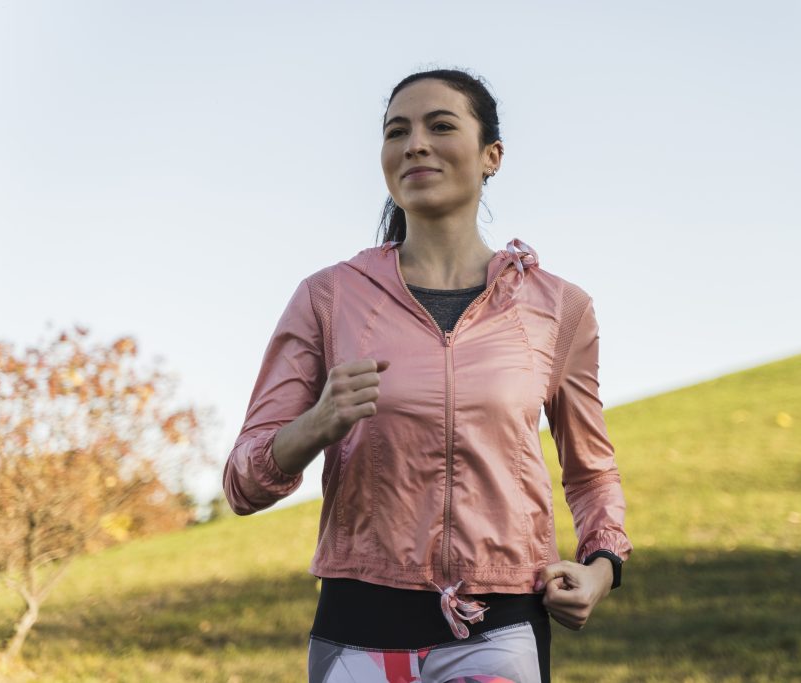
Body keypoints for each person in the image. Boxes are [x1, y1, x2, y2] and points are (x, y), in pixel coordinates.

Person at [222, 67, 633, 683]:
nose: (415, 143)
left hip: (500, 627)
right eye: (397, 131)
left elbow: (592, 472)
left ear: (491, 155)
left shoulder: (558, 309)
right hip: (358, 630)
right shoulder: (329, 297)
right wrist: (317, 425)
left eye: (441, 126)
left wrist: (602, 567)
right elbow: (243, 482)